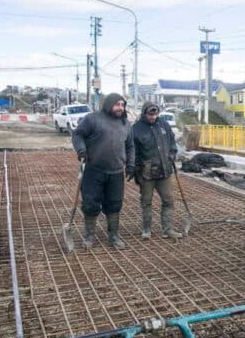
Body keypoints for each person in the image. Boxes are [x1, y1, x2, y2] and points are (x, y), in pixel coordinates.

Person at [71, 93, 136, 249]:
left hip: (115, 172)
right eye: (117, 104)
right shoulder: (92, 119)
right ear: (108, 104)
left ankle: (113, 236)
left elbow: (130, 146)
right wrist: (81, 150)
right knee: (91, 204)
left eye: (122, 104)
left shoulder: (125, 124)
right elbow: (77, 135)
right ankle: (89, 236)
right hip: (93, 170)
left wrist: (131, 165)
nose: (120, 107)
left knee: (114, 205)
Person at [131, 101, 181, 240]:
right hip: (146, 173)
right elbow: (132, 152)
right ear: (144, 113)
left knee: (168, 200)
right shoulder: (136, 129)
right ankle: (147, 230)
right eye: (150, 114)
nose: (153, 117)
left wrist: (171, 155)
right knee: (146, 201)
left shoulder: (164, 125)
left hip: (164, 170)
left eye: (155, 114)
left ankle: (168, 229)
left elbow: (172, 143)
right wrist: (136, 169)